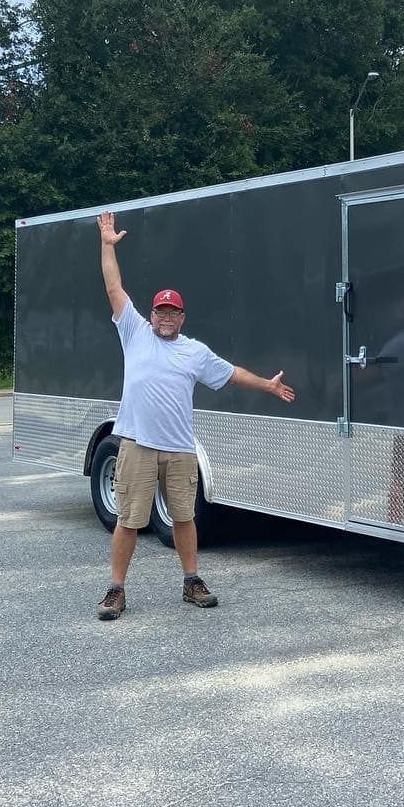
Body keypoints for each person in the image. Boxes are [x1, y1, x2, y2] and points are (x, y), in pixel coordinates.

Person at [95, 212, 295, 621]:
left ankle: (192, 581)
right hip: (136, 444)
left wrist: (268, 385)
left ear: (182, 318)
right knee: (129, 521)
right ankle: (116, 589)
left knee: (184, 519)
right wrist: (108, 244)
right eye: (160, 311)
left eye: (173, 312)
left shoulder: (194, 351)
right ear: (150, 315)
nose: (166, 317)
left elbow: (232, 373)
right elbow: (114, 286)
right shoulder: (133, 332)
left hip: (181, 450)